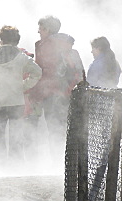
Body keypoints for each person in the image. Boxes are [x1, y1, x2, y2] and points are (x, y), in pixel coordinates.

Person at [0, 26, 43, 159]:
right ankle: (16, 164)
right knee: (16, 134)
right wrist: (23, 86)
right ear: (17, 40)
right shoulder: (22, 57)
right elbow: (37, 72)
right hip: (17, 101)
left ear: (1, 39)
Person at [27, 15, 84, 146]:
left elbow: (42, 72)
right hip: (69, 93)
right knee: (65, 128)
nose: (38, 32)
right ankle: (67, 160)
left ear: (48, 29)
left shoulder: (46, 46)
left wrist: (35, 93)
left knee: (53, 129)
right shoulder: (69, 47)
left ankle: (57, 161)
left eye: (41, 29)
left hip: (51, 93)